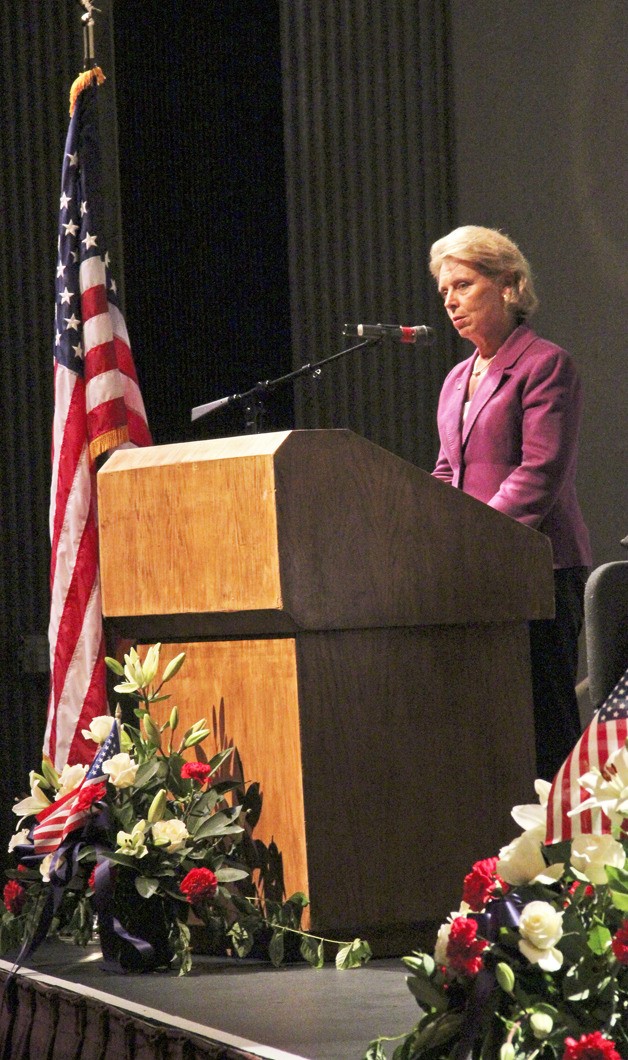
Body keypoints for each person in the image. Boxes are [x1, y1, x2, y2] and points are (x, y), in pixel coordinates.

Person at [429, 225, 592, 781]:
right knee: (485, 727)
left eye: (463, 284)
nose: (450, 301)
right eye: (444, 290)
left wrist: (472, 538)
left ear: (508, 285)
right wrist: (424, 525)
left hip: (537, 569)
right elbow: (449, 468)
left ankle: (568, 855)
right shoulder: (455, 379)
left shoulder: (547, 365)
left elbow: (539, 474)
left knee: (545, 726)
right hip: (474, 573)